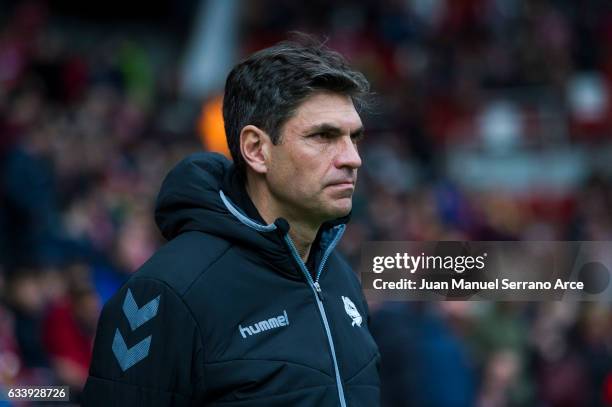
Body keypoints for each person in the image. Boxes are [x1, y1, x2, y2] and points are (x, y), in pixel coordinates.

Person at [82, 35, 381, 406]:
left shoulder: (341, 278)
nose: (353, 158)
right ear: (256, 149)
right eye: (324, 136)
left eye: (355, 138)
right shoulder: (164, 294)